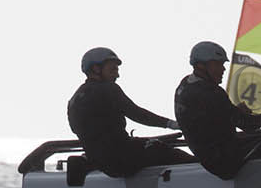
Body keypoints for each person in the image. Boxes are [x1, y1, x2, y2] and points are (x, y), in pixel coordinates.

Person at [174, 41, 261, 179]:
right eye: (218, 64)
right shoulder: (210, 92)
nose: (223, 69)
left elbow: (212, 117)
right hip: (223, 162)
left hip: (211, 154)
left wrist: (235, 111)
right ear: (200, 65)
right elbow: (248, 125)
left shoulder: (185, 85)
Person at [67, 47, 193, 176]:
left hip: (99, 160)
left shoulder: (74, 99)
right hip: (121, 160)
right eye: (113, 69)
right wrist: (172, 124)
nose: (117, 75)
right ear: (96, 69)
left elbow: (78, 130)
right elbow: (137, 114)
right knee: (168, 153)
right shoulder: (107, 89)